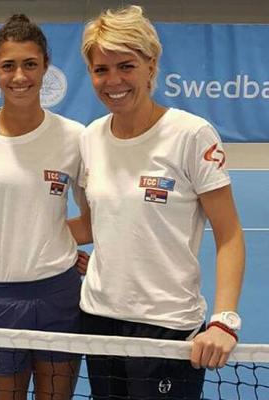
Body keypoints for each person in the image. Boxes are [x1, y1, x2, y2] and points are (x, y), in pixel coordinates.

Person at [77, 5, 245, 399]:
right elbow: (93, 223)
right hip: (98, 319)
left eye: (126, 66)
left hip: (167, 326)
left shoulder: (191, 135)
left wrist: (224, 320)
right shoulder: (90, 137)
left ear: (151, 66)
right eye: (101, 69)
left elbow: (230, 234)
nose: (113, 80)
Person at [0, 14, 88, 400]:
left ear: (46, 66)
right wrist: (5, 239)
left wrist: (49, 240)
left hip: (58, 293)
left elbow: (96, 220)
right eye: (8, 65)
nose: (19, 76)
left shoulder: (74, 137)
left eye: (30, 64)